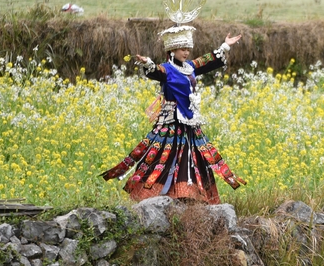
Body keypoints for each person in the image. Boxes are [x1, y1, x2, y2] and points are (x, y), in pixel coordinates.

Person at [101, 25, 246, 204]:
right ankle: (156, 194)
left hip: (190, 122)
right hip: (171, 123)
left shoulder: (190, 67)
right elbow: (155, 71)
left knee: (192, 157)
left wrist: (225, 46)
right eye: (182, 49)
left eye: (188, 49)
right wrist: (147, 63)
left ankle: (189, 195)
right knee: (163, 156)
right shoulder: (166, 69)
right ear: (172, 50)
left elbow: (208, 60)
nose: (186, 53)